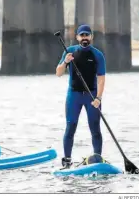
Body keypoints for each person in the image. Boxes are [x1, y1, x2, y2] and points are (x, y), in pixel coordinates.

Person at [55, 24, 106, 169]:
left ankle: (97, 158)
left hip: (92, 96)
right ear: (77, 37)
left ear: (91, 37)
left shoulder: (97, 55)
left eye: (87, 35)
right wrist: (66, 62)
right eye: (82, 35)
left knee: (95, 127)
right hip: (74, 95)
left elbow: (101, 78)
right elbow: (58, 73)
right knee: (71, 126)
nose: (85, 38)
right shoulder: (69, 52)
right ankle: (67, 160)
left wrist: (98, 98)